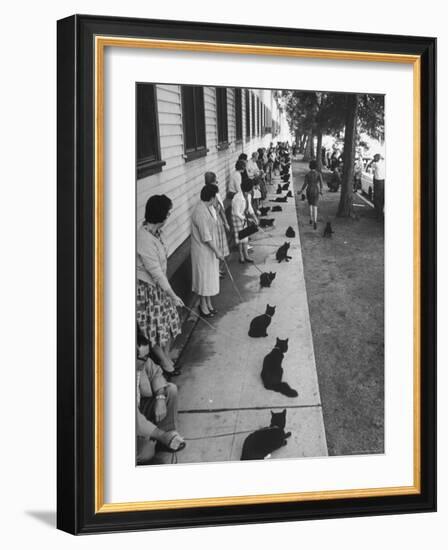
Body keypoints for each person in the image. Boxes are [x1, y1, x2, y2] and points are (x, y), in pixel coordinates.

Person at [137, 195, 184, 376]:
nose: (169, 215)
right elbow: (155, 272)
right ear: (161, 214)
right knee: (154, 329)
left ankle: (166, 358)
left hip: (160, 287)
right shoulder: (143, 239)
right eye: (168, 212)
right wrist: (172, 294)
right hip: (148, 291)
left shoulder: (156, 233)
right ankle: (165, 363)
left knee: (171, 322)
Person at [136, 325, 185, 464]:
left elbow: (156, 373)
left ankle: (166, 435)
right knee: (146, 453)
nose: (146, 361)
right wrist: (161, 435)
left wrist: (160, 398)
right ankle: (161, 437)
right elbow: (134, 419)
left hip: (141, 406)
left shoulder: (143, 362)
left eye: (147, 357)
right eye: (143, 358)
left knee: (170, 389)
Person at [191, 184, 223, 318]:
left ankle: (208, 303)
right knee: (203, 279)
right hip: (202, 251)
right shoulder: (200, 212)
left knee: (210, 278)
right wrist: (217, 252)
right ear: (211, 197)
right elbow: (206, 236)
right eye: (216, 196)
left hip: (209, 250)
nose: (217, 198)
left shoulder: (208, 207)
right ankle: (203, 306)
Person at [204, 171, 230, 278]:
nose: (217, 184)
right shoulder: (206, 195)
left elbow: (221, 209)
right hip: (212, 224)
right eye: (215, 182)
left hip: (218, 221)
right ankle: (216, 271)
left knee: (221, 247)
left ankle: (219, 268)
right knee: (216, 247)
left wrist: (226, 222)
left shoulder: (217, 193)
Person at [231, 179, 259, 263]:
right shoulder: (238, 198)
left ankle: (246, 255)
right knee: (241, 237)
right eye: (251, 188)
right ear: (247, 189)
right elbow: (236, 212)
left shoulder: (248, 195)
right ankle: (241, 255)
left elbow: (249, 207)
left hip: (243, 216)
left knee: (245, 237)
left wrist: (254, 217)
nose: (252, 190)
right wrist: (246, 219)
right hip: (237, 217)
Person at [300, 160, 324, 230]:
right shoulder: (318, 174)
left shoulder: (307, 174)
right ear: (316, 166)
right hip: (316, 190)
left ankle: (311, 218)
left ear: (310, 166)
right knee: (315, 206)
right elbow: (321, 183)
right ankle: (315, 222)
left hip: (309, 190)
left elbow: (305, 184)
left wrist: (301, 190)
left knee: (310, 205)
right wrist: (321, 190)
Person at [368, 153, 385, 218]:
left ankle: (379, 213)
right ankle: (380, 212)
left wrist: (372, 161)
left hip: (378, 181)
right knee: (381, 197)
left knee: (377, 198)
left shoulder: (375, 164)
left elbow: (369, 165)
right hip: (383, 181)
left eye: (374, 158)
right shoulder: (383, 163)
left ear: (376, 158)